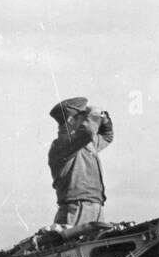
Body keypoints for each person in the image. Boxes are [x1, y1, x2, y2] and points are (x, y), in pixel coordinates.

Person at [48, 96, 113, 227]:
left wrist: (104, 117)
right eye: (82, 117)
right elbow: (88, 131)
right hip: (77, 209)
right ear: (71, 120)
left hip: (93, 206)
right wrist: (95, 112)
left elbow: (107, 136)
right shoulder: (62, 144)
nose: (85, 120)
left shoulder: (85, 143)